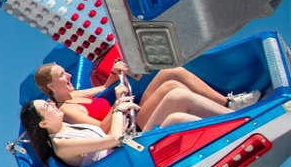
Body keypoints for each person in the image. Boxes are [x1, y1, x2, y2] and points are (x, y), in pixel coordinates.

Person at [34, 60, 255, 134]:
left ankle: (228, 103)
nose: (69, 75)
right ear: (50, 85)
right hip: (130, 129)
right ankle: (238, 118)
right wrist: (117, 105)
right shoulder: (66, 109)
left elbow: (104, 86)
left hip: (132, 113)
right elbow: (102, 129)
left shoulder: (75, 93)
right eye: (62, 74)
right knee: (174, 92)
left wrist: (115, 72)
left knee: (171, 75)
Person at [19, 97, 137, 167]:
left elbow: (109, 138)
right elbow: (114, 139)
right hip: (124, 163)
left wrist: (117, 106)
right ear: (43, 123)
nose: (53, 103)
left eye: (48, 101)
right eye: (47, 105)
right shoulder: (61, 145)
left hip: (126, 150)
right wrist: (117, 110)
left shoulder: (64, 126)